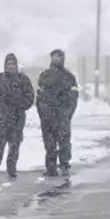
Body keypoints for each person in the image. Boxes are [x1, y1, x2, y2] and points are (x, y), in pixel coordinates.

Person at [0, 53, 35, 180]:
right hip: (2, 118)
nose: (11, 66)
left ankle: (11, 169)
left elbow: (30, 97)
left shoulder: (23, 80)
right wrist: (0, 106)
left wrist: (20, 106)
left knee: (14, 146)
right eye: (8, 64)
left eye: (13, 64)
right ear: (5, 65)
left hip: (17, 118)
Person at [37, 49, 80, 178]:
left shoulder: (69, 77)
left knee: (64, 142)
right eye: (54, 57)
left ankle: (64, 165)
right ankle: (51, 168)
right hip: (48, 117)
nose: (56, 59)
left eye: (59, 57)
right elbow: (39, 97)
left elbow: (74, 96)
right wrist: (43, 113)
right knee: (49, 144)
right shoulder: (44, 76)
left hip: (62, 116)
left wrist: (67, 113)